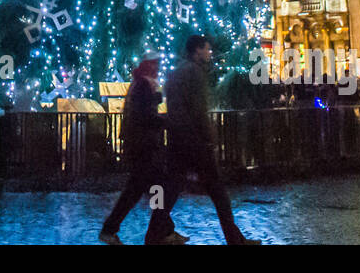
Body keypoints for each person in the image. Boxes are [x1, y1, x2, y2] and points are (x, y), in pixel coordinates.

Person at [162, 35, 257, 245]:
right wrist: (208, 137)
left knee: (171, 190)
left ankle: (155, 235)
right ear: (197, 50)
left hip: (180, 139)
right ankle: (235, 240)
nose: (210, 52)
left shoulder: (178, 71)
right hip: (195, 142)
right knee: (218, 193)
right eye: (206, 49)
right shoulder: (194, 72)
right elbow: (197, 110)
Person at [100, 56, 179, 244]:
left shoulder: (140, 84)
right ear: (149, 66)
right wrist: (167, 121)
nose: (158, 68)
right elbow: (145, 117)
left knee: (144, 190)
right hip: (144, 146)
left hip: (139, 145)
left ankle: (164, 230)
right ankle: (161, 231)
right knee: (152, 189)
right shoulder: (145, 85)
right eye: (155, 64)